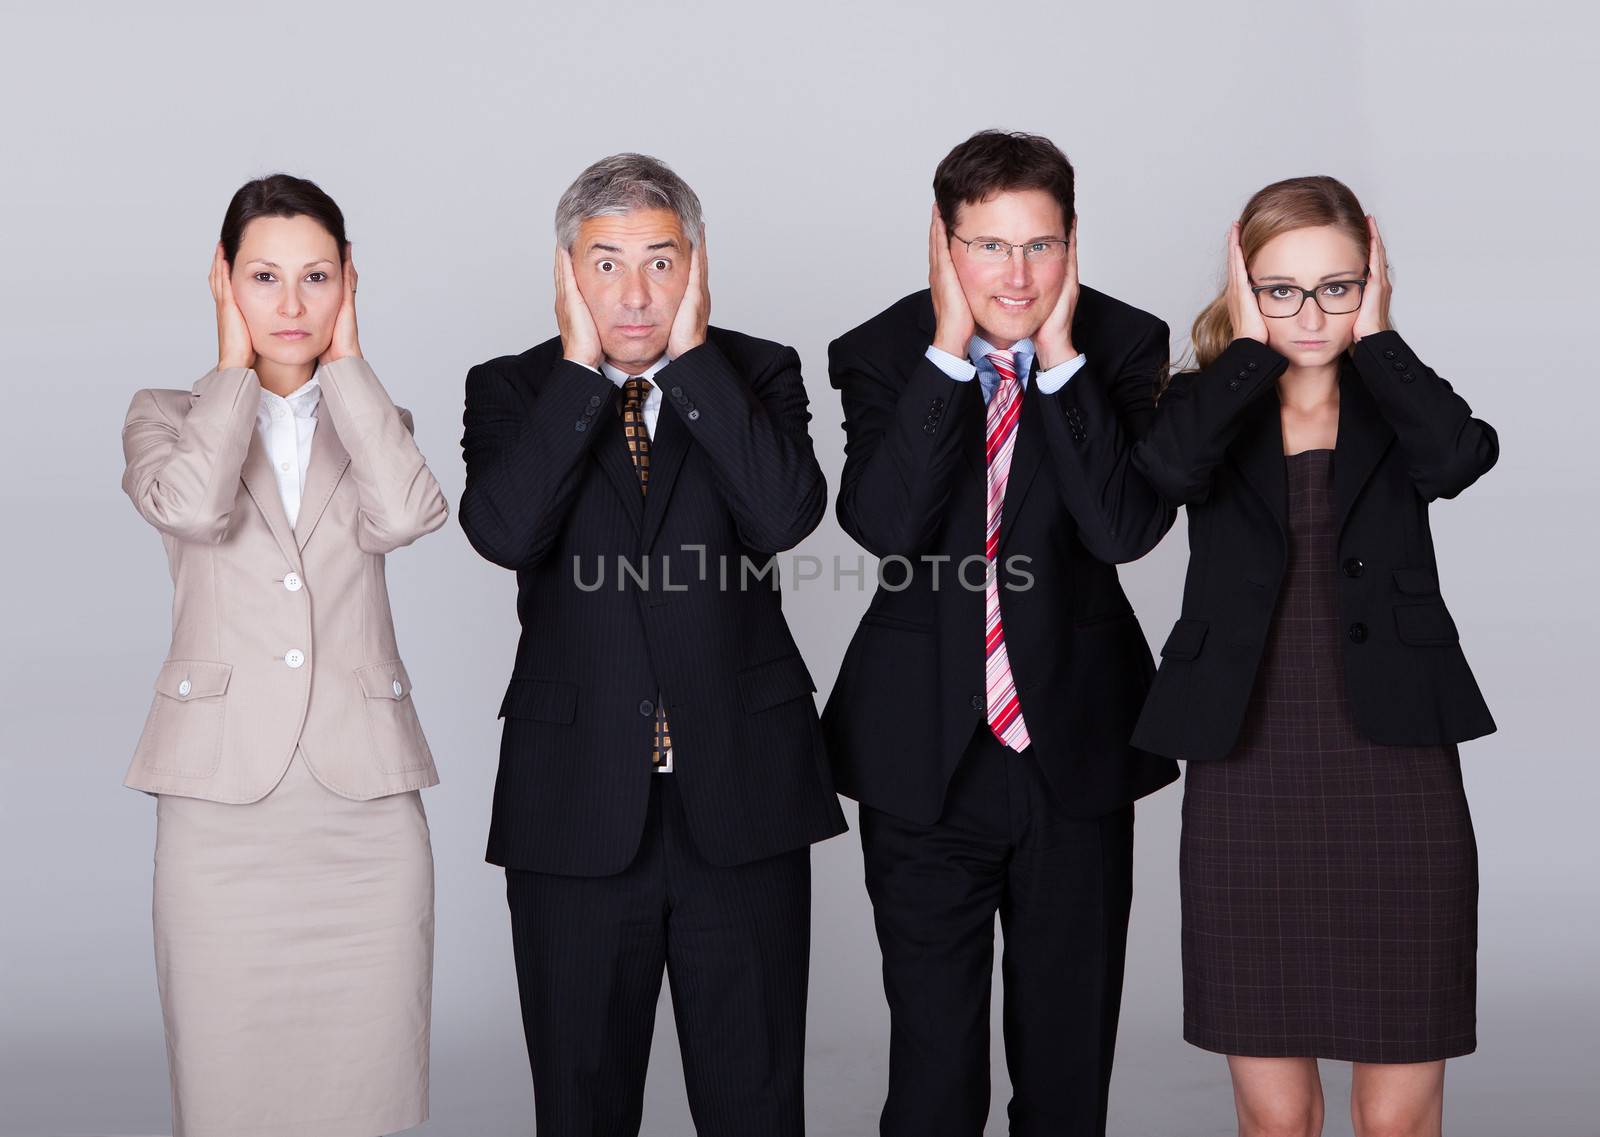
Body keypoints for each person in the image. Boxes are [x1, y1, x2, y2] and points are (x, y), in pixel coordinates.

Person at [458, 152, 846, 1137]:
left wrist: (689, 360)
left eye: (661, 262)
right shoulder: (513, 390)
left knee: (756, 1102)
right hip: (575, 807)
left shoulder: (753, 372)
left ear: (696, 267)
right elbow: (504, 531)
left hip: (741, 800)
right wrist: (583, 375)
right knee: (581, 1104)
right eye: (605, 263)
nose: (634, 293)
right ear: (567, 273)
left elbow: (784, 516)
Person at [822, 129, 1180, 1137]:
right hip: (923, 753)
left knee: (1067, 1059)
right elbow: (883, 527)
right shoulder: (885, 352)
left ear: (1072, 242)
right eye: (987, 246)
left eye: (1040, 246)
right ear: (943, 244)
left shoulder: (1121, 344)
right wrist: (947, 356)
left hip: (1071, 742)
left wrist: (1058, 367)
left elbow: (1123, 531)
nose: (1015, 275)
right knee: (934, 1066)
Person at [1131, 175, 1497, 1137]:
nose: (1310, 311)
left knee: (1395, 1121)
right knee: (1278, 1115)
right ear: (1245, 286)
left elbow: (1460, 459)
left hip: (1395, 769)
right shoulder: (1208, 401)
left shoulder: (1399, 399)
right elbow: (1164, 472)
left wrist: (1377, 338)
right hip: (1247, 763)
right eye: (1280, 288)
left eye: (1337, 285)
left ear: (1371, 280)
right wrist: (1249, 348)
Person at [121, 173, 449, 1137]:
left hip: (366, 811)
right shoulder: (165, 415)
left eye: (317, 276)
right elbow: (192, 508)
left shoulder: (376, 421)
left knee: (376, 1074)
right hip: (221, 806)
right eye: (265, 276)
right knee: (227, 1078)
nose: (292, 304)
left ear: (350, 282)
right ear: (223, 279)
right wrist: (233, 368)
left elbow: (410, 515)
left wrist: (350, 366)